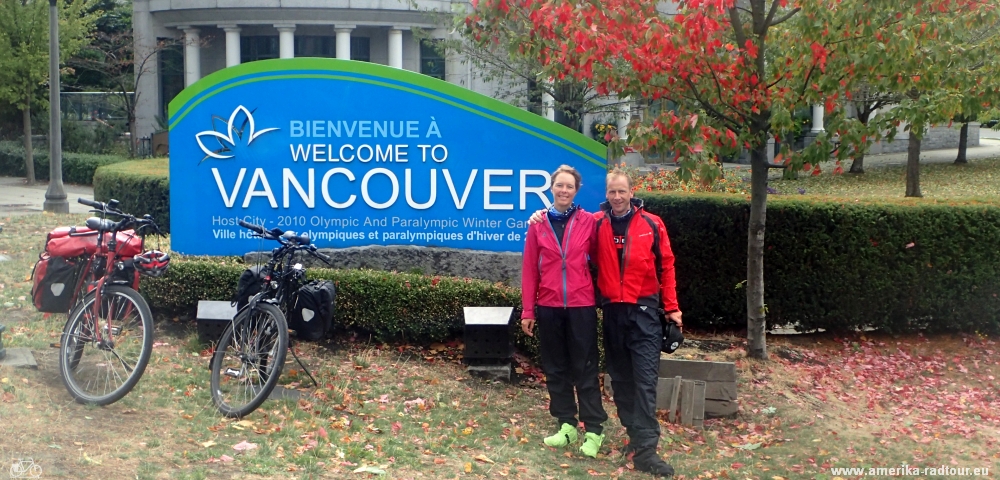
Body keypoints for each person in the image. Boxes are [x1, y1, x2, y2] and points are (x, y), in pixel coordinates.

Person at [529, 169, 682, 477]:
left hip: (645, 313)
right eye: (611, 192)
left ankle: (647, 451)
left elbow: (667, 266)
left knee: (644, 382)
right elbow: (562, 233)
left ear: (631, 192)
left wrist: (672, 310)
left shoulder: (652, 224)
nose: (616, 197)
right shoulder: (597, 223)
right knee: (622, 381)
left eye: (621, 192)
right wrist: (538, 216)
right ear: (606, 194)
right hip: (612, 312)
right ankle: (635, 437)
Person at [521, 165, 608, 459]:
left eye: (569, 186)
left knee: (584, 367)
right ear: (551, 188)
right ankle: (567, 424)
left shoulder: (588, 222)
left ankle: (594, 429)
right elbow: (530, 269)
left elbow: (601, 259)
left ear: (576, 190)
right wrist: (527, 310)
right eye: (559, 185)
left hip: (581, 306)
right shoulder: (538, 224)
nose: (563, 191)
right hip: (548, 306)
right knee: (556, 368)